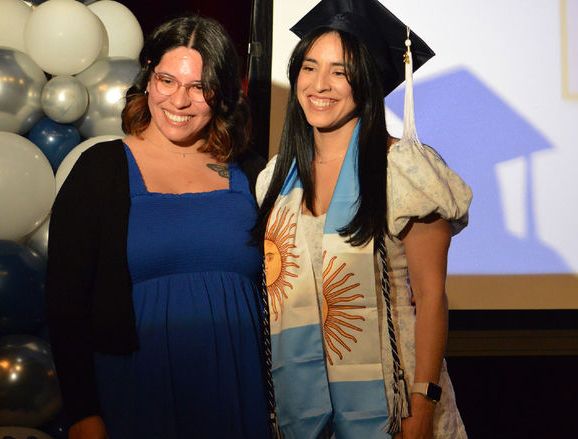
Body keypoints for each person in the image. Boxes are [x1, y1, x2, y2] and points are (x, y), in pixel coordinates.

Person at [253, 0, 472, 438]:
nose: (320, 85)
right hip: (303, 405)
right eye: (310, 67)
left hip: (396, 400)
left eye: (340, 71)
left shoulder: (404, 170)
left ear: (367, 82)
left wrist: (421, 406)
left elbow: (431, 298)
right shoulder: (276, 179)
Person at [46, 15, 270, 439]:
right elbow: (65, 304)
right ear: (148, 78)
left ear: (222, 93)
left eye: (199, 87)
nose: (180, 101)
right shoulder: (101, 170)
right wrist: (82, 412)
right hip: (134, 388)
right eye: (168, 80)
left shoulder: (251, 171)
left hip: (237, 388)